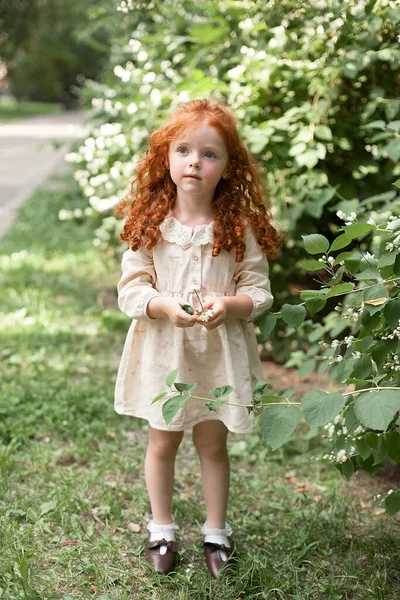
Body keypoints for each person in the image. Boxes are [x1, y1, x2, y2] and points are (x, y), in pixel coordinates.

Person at [114, 98, 281, 576]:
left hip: (216, 356)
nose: (194, 162)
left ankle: (215, 533)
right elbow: (132, 288)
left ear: (228, 167)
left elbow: (258, 290)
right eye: (184, 150)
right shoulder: (152, 226)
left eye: (210, 154)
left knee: (212, 444)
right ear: (165, 158)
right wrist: (164, 305)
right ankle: (162, 530)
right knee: (162, 442)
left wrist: (229, 306)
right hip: (165, 352)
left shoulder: (238, 227)